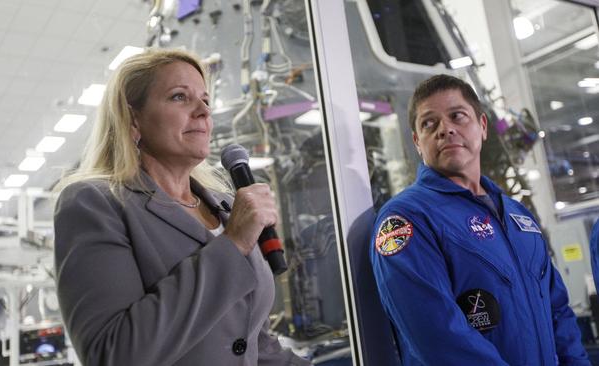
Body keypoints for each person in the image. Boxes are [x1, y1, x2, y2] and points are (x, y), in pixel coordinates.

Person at [53, 48, 309, 365]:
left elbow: (247, 340)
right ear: (133, 119)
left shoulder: (227, 207)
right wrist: (233, 244)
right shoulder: (94, 203)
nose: (203, 111)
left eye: (205, 100)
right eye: (179, 97)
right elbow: (114, 352)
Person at [369, 74, 590, 365]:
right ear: (417, 142)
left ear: (483, 126)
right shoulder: (406, 219)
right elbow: (438, 338)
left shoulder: (517, 215)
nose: (445, 129)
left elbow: (558, 311)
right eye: (429, 123)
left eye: (457, 116)